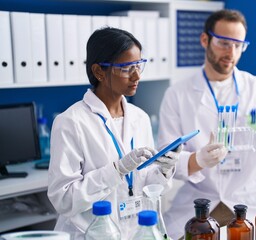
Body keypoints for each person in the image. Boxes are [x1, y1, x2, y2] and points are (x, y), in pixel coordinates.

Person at [157, 9, 256, 239]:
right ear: (205, 39)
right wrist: (197, 160)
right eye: (224, 43)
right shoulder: (177, 95)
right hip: (198, 203)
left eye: (239, 45)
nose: (232, 53)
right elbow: (165, 164)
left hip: (251, 200)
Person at [47, 27, 179, 240]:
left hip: (133, 231)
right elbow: (64, 199)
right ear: (99, 71)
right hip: (88, 234)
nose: (136, 75)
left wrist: (163, 170)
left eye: (139, 65)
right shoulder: (70, 122)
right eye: (127, 67)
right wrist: (117, 170)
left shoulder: (140, 118)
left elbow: (143, 187)